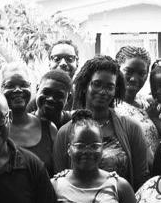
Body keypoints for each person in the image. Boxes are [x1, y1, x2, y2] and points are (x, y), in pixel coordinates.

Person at [52, 56, 151, 189]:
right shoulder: (65, 133)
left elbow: (141, 180)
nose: (103, 92)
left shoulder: (132, 128)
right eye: (97, 84)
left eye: (110, 87)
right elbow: (60, 183)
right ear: (84, 86)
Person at [0, 63, 58, 174]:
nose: (17, 90)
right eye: (10, 85)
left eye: (23, 84)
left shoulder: (49, 129)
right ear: (0, 89)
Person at [113, 46, 160, 166]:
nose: (134, 79)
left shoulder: (148, 103)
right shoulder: (111, 107)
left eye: (141, 73)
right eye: (128, 71)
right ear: (117, 70)